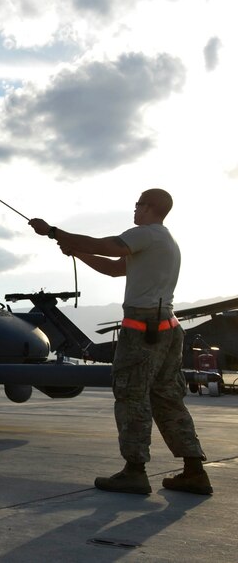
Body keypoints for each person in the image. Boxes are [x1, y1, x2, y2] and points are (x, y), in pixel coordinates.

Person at [29, 188, 212, 496]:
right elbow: (115, 269)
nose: (135, 209)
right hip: (166, 327)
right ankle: (194, 471)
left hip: (142, 330)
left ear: (151, 207)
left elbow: (110, 248)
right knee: (167, 398)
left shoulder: (146, 234)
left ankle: (135, 471)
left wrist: (53, 232)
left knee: (131, 395)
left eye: (139, 204)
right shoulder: (163, 241)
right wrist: (76, 251)